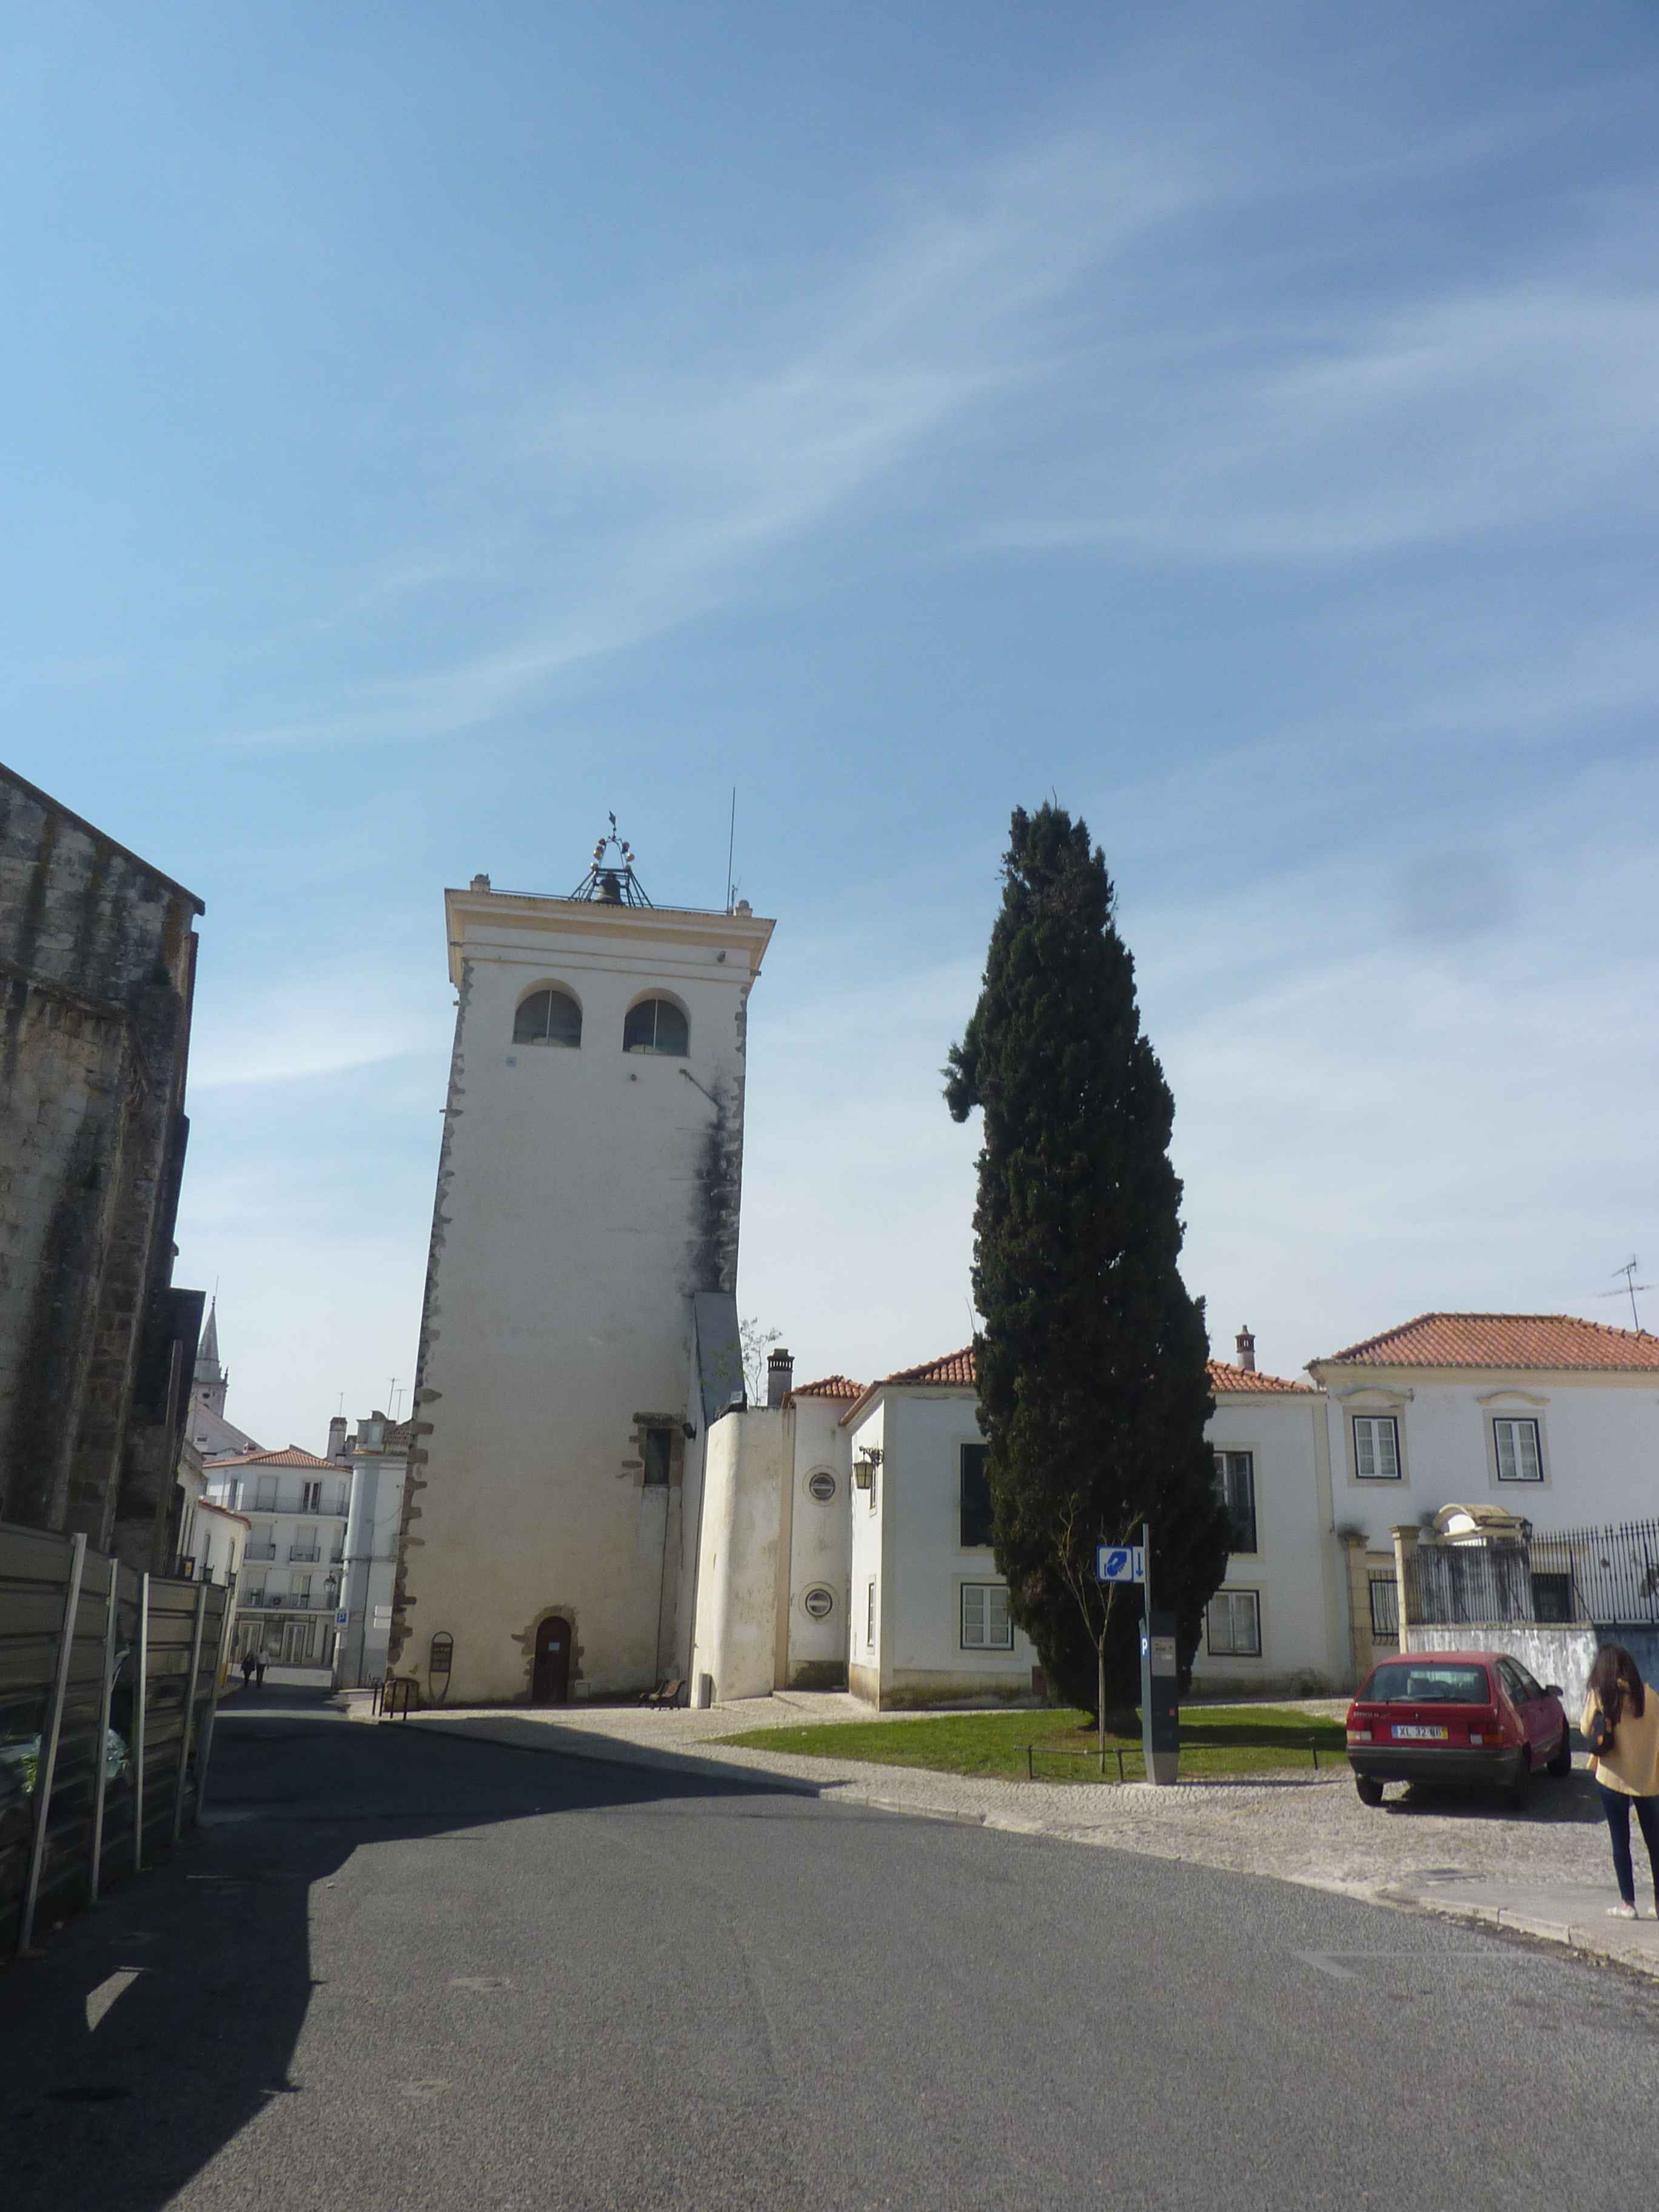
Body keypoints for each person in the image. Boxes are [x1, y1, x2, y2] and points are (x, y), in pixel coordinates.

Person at [1581, 1645, 1659, 1920]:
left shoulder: (1602, 1695)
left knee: (1620, 1839)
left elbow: (1583, 1728)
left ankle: (1628, 1903)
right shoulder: (1649, 1696)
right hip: (1647, 1777)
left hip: (1613, 1776)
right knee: (1655, 1842)